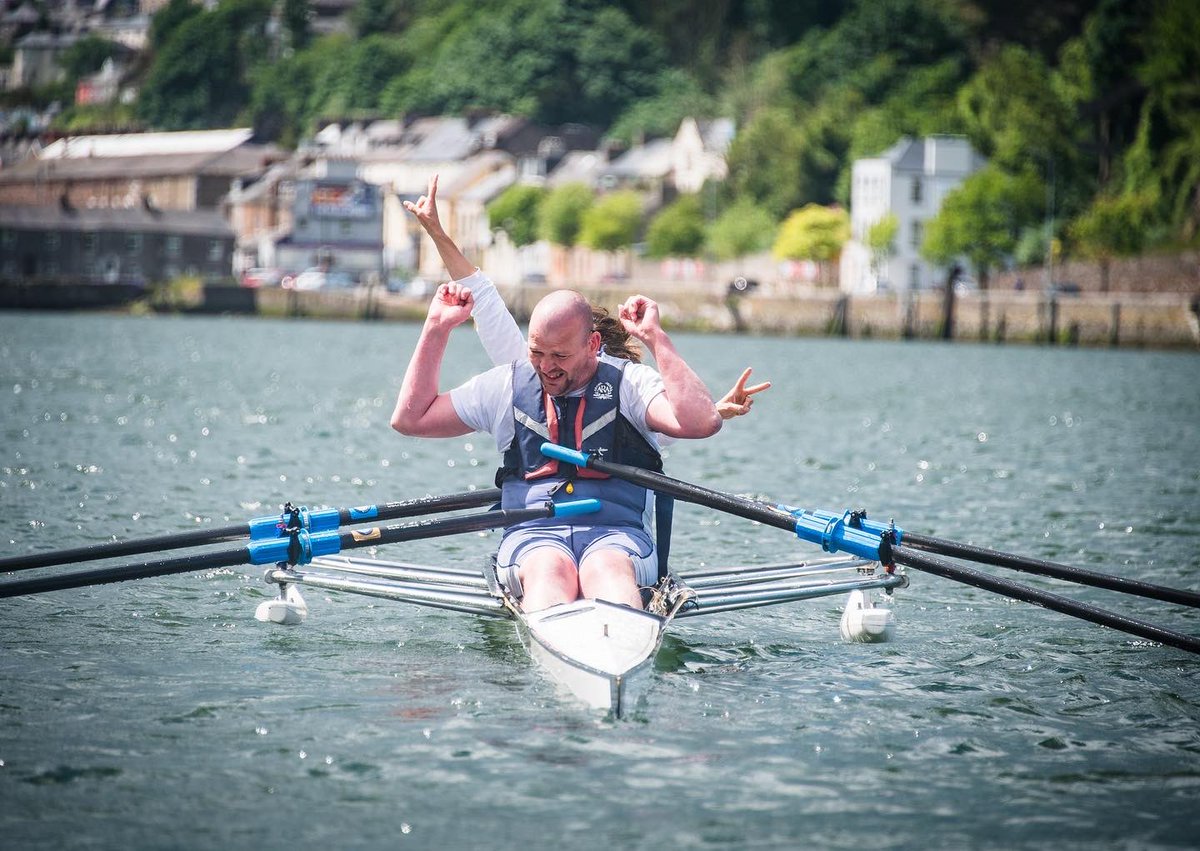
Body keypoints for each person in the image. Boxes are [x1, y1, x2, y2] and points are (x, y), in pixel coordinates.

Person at [402, 174, 770, 418]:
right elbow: (483, 296)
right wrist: (435, 231)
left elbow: (686, 420)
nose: (549, 365)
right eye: (546, 353)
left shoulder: (628, 390)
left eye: (562, 354)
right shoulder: (533, 369)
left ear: (594, 349)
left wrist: (715, 411)